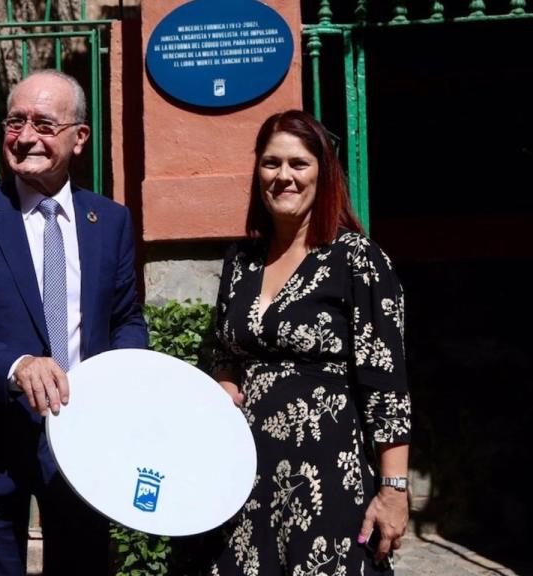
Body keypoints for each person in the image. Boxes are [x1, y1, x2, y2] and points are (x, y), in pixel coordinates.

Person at [0, 70, 148, 576]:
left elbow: (127, 319)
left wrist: (121, 384)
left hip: (84, 446)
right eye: (15, 122)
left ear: (78, 137)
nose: (24, 137)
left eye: (43, 123)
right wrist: (15, 365)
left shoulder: (110, 222)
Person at [209, 110, 411, 575]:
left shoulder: (357, 260)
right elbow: (226, 353)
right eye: (271, 163)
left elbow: (387, 384)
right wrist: (224, 382)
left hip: (329, 476)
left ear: (323, 173)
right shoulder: (241, 261)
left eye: (298, 164)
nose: (283, 176)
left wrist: (393, 490)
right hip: (245, 477)